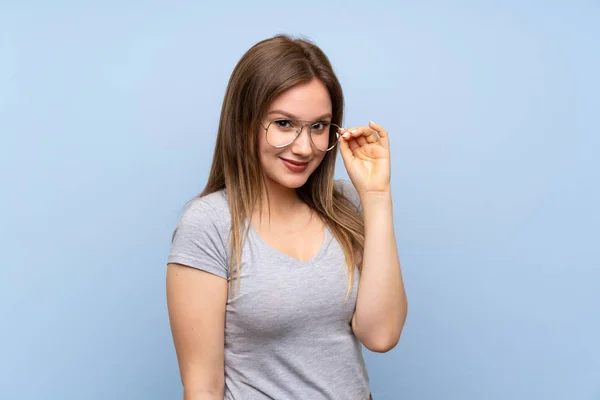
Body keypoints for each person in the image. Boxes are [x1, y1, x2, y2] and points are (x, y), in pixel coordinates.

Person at [166, 34, 408, 400]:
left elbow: (381, 334)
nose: (304, 147)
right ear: (244, 122)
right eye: (283, 124)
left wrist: (376, 197)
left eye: (318, 126)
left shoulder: (342, 205)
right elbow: (203, 387)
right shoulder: (210, 224)